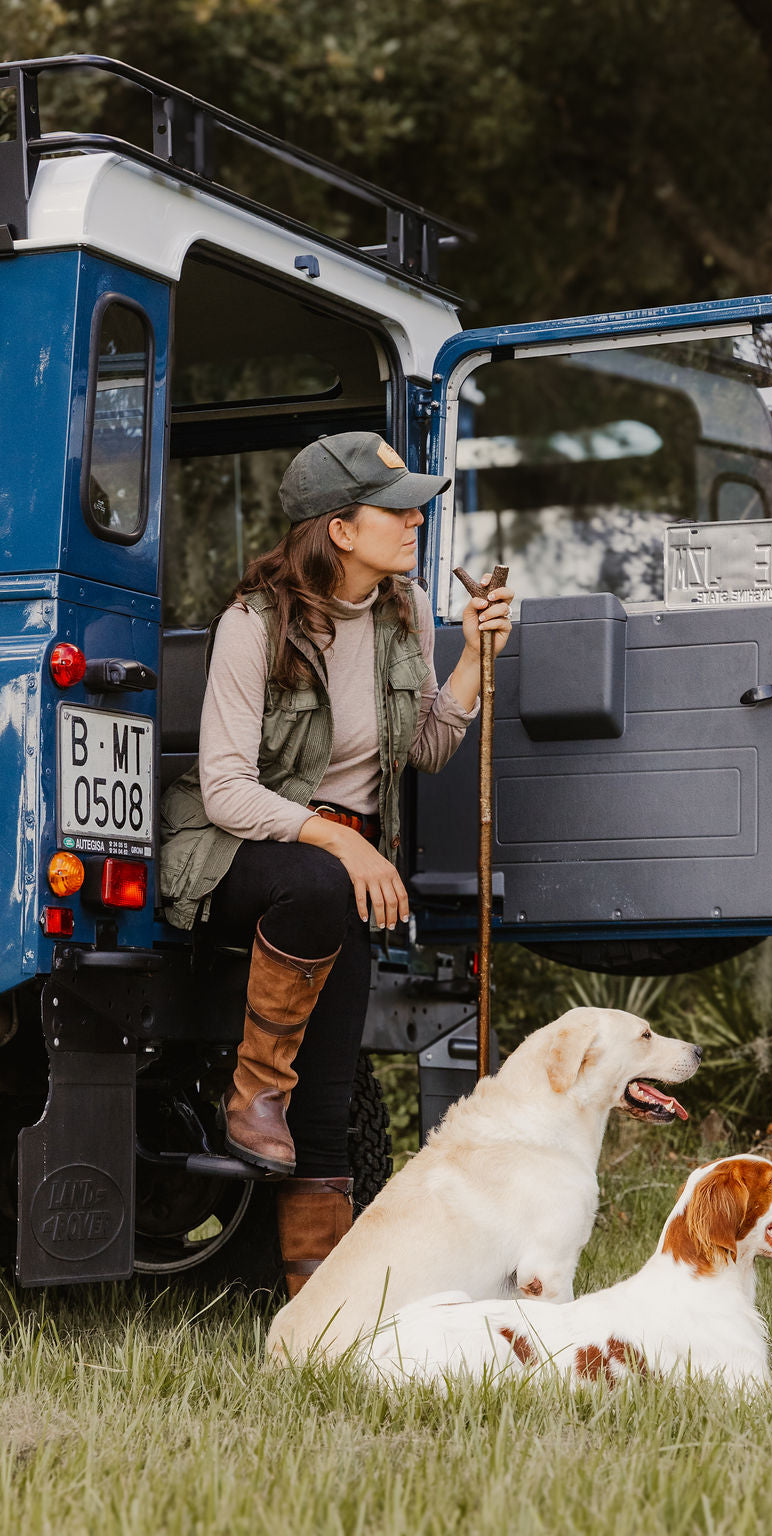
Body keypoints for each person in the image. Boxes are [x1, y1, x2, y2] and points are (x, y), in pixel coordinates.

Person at [159, 431, 513, 1296]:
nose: (415, 520)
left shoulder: (401, 612)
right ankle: (253, 1093)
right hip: (244, 852)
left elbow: (425, 745)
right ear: (339, 530)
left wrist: (472, 655)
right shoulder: (254, 626)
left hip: (334, 880)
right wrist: (345, 840)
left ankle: (322, 1310)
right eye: (396, 509)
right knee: (319, 881)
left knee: (328, 1101)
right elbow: (227, 792)